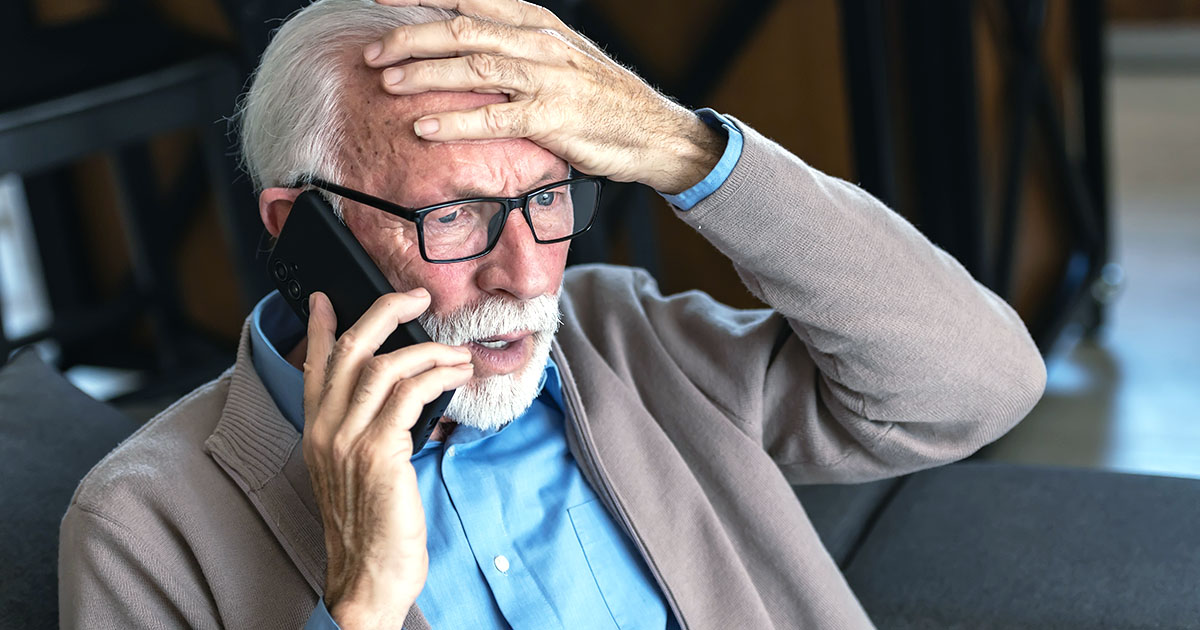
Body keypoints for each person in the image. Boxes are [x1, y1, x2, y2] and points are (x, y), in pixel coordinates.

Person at [58, 0, 1047, 628]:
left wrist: (683, 150)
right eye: (453, 216)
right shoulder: (142, 527)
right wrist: (359, 605)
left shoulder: (627, 337)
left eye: (548, 198)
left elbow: (980, 385)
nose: (528, 277)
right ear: (299, 229)